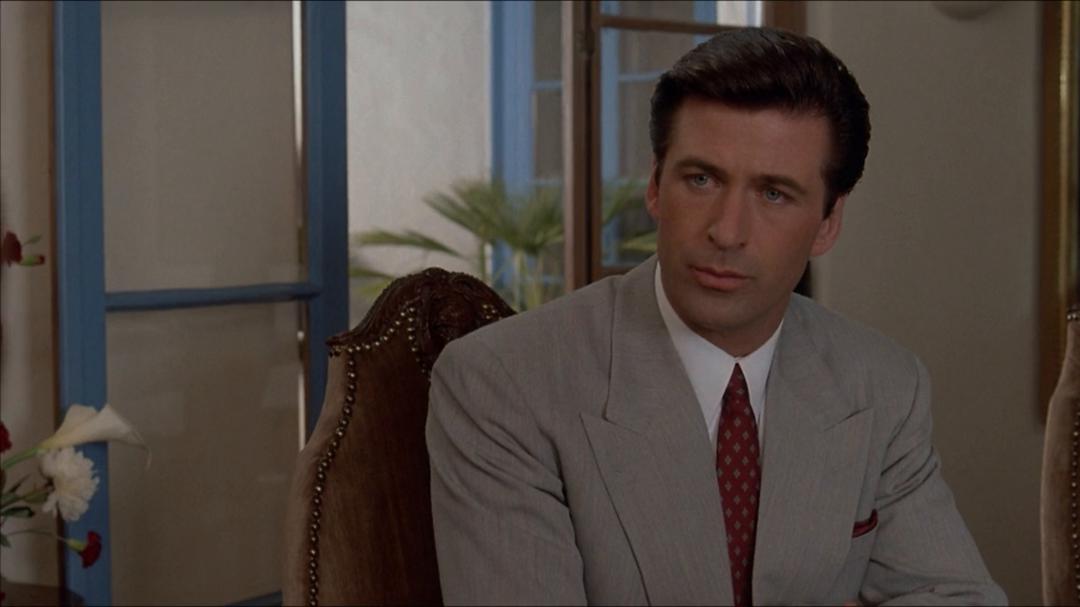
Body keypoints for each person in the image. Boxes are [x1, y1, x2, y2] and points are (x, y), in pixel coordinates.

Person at [425, 26, 1006, 605]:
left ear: (828, 223)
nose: (727, 232)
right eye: (701, 179)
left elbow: (959, 598)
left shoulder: (883, 384)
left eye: (774, 193)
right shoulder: (505, 383)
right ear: (656, 187)